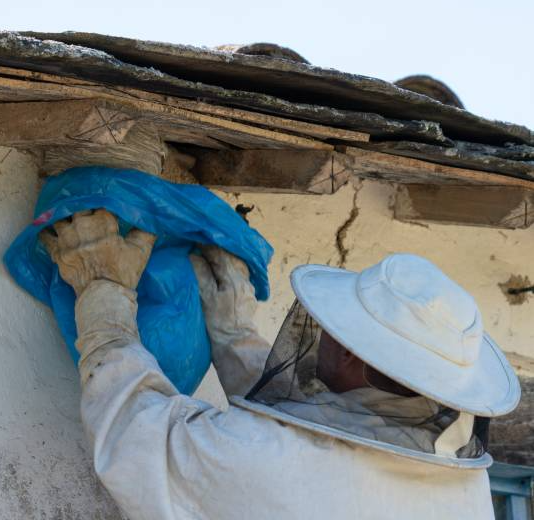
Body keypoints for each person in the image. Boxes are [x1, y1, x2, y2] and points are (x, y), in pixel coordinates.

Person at [41, 209, 520, 520]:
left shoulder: (261, 460)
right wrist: (233, 335)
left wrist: (102, 288)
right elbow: (317, 430)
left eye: (334, 324)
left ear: (350, 349)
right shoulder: (465, 489)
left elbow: (133, 429)